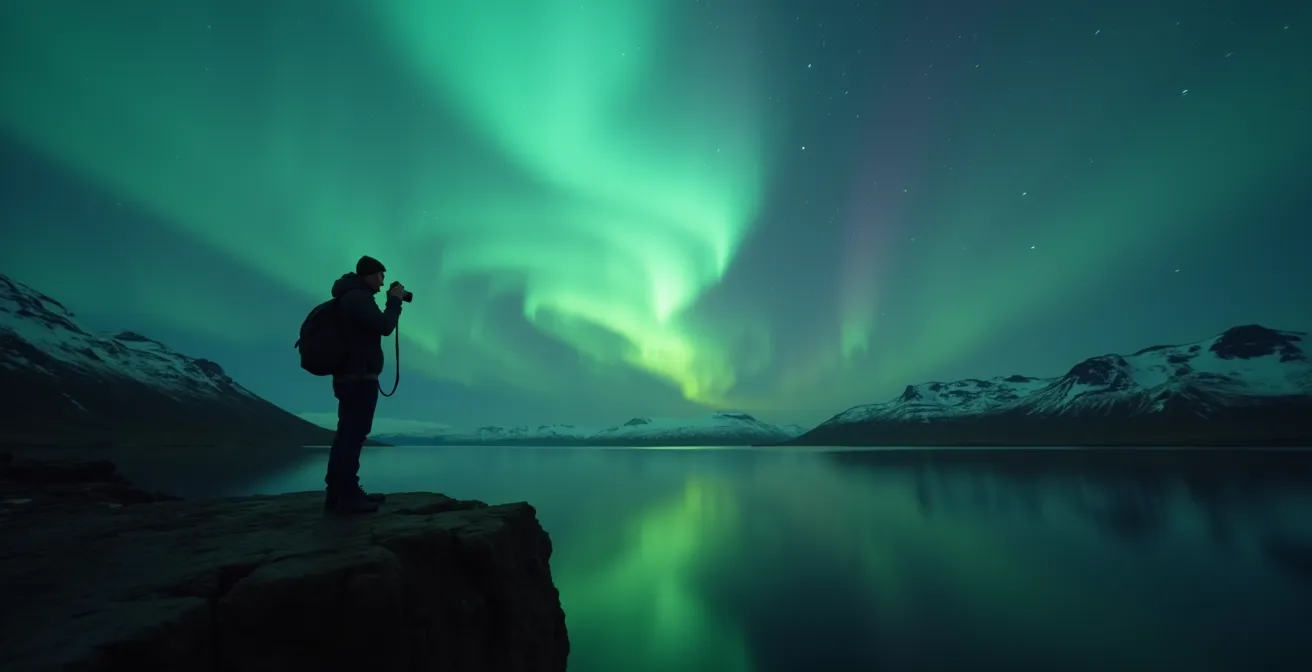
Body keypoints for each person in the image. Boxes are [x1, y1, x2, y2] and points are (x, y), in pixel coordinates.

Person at [323, 255, 407, 514]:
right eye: (381, 276)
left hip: (350, 376)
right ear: (369, 275)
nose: (382, 283)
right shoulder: (358, 298)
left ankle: (338, 493)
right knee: (353, 435)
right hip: (359, 378)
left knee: (347, 434)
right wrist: (394, 302)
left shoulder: (350, 296)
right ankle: (347, 496)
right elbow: (384, 326)